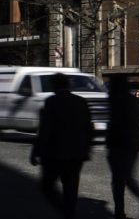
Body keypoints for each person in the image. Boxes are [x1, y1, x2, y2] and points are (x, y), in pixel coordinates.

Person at [30, 72, 94, 219]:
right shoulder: (81, 101)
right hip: (76, 152)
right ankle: (69, 213)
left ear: (54, 85)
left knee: (47, 186)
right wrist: (87, 148)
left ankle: (64, 210)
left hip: (55, 153)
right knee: (71, 187)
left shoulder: (52, 101)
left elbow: (45, 129)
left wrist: (36, 152)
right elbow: (89, 127)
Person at [106, 74, 139, 219]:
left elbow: (114, 124)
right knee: (123, 178)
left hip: (118, 144)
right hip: (132, 144)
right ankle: (120, 212)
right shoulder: (135, 101)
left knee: (121, 179)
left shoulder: (115, 101)